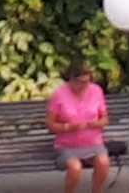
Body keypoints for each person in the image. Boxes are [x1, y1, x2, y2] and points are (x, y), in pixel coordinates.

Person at [47, 60, 112, 193]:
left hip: (93, 143)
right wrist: (68, 127)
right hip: (67, 145)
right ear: (71, 79)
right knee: (75, 168)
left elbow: (105, 119)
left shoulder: (96, 90)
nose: (84, 86)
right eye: (80, 82)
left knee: (103, 162)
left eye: (87, 82)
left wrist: (96, 124)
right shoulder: (59, 94)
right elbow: (50, 125)